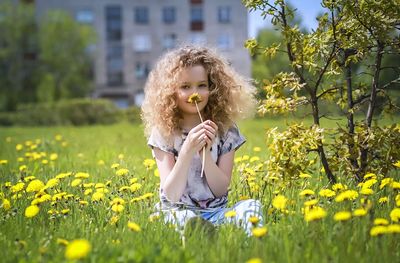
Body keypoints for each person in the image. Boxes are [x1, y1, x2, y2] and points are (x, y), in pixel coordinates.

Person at [141, 45, 263, 235]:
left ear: (213, 88)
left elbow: (220, 190)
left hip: (216, 212)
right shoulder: (164, 132)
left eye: (202, 85)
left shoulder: (225, 130)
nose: (194, 93)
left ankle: (253, 242)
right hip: (178, 211)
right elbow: (171, 195)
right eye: (185, 87)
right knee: (182, 218)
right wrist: (187, 150)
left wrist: (204, 152)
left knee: (251, 206)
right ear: (171, 91)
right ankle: (197, 234)